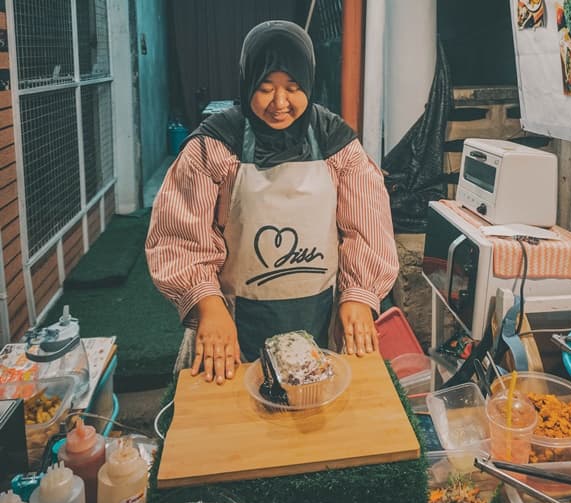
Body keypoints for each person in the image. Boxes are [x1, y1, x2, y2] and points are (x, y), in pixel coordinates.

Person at [145, 20, 398, 385]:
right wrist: (207, 303)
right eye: (265, 89)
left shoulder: (338, 146)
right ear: (247, 82)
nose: (280, 104)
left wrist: (358, 296)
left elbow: (368, 230)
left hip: (323, 322)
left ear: (309, 83)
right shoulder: (214, 146)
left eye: (293, 88)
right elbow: (179, 238)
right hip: (229, 327)